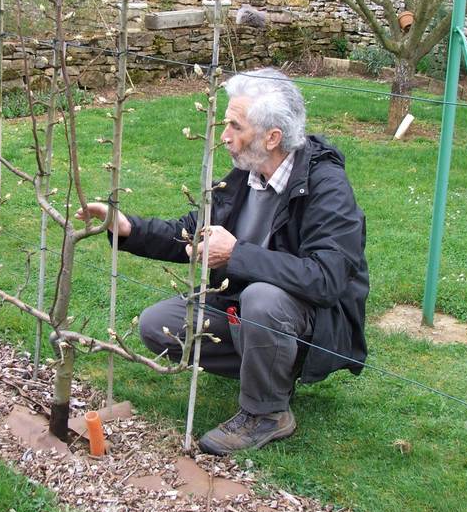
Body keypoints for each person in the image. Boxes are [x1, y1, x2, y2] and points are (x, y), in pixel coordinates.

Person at [76, 68, 369, 455]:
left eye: (235, 125)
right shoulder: (246, 174)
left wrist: (237, 255)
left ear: (272, 137)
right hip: (240, 307)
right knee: (158, 326)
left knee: (263, 299)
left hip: (310, 322)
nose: (224, 136)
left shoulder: (326, 188)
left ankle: (267, 413)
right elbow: (194, 230)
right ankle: (266, 367)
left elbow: (327, 279)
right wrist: (128, 227)